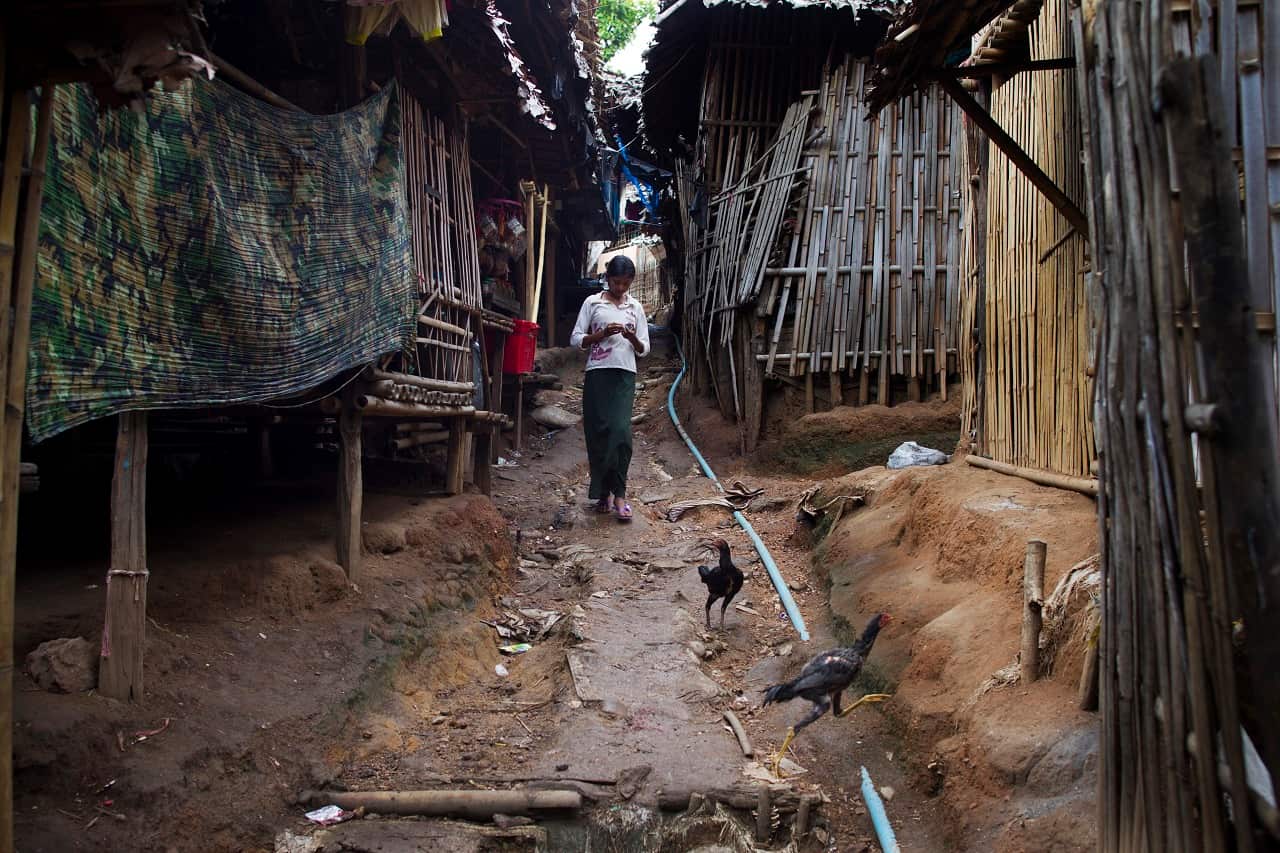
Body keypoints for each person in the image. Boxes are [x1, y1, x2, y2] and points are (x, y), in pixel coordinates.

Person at [570, 255, 650, 521]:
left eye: (625, 284)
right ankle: (602, 492)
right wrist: (602, 334)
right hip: (597, 374)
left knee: (621, 433)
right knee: (599, 435)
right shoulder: (592, 303)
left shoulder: (635, 307)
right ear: (608, 278)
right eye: (616, 282)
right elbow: (576, 339)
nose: (620, 288)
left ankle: (620, 494)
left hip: (624, 375)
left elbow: (645, 348)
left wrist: (631, 337)